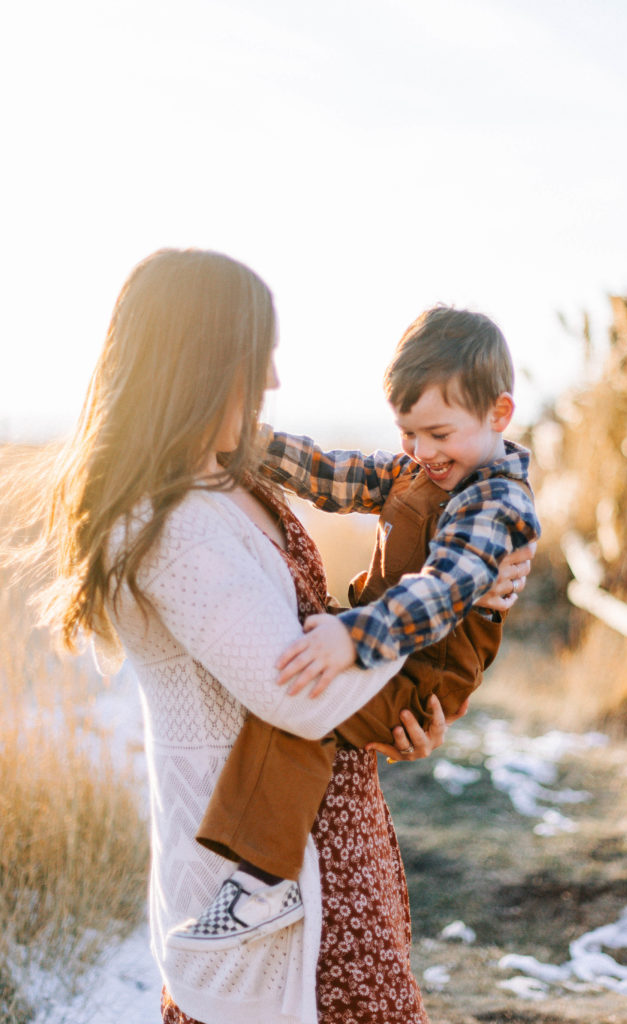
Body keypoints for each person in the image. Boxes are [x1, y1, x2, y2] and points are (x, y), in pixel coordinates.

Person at [34, 247, 530, 1024]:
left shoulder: (235, 480)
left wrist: (404, 704)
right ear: (199, 364)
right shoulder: (167, 526)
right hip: (267, 881)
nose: (271, 381)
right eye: (257, 357)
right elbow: (299, 698)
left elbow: (372, 633)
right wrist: (392, 641)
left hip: (338, 843)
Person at [171, 305, 539, 953]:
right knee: (302, 699)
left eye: (438, 433)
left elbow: (444, 588)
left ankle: (264, 881)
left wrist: (351, 638)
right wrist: (247, 442)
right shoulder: (419, 470)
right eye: (407, 434)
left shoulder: (493, 501)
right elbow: (332, 475)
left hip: (418, 669)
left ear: (498, 416)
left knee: (306, 699)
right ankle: (261, 869)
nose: (422, 452)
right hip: (385, 652)